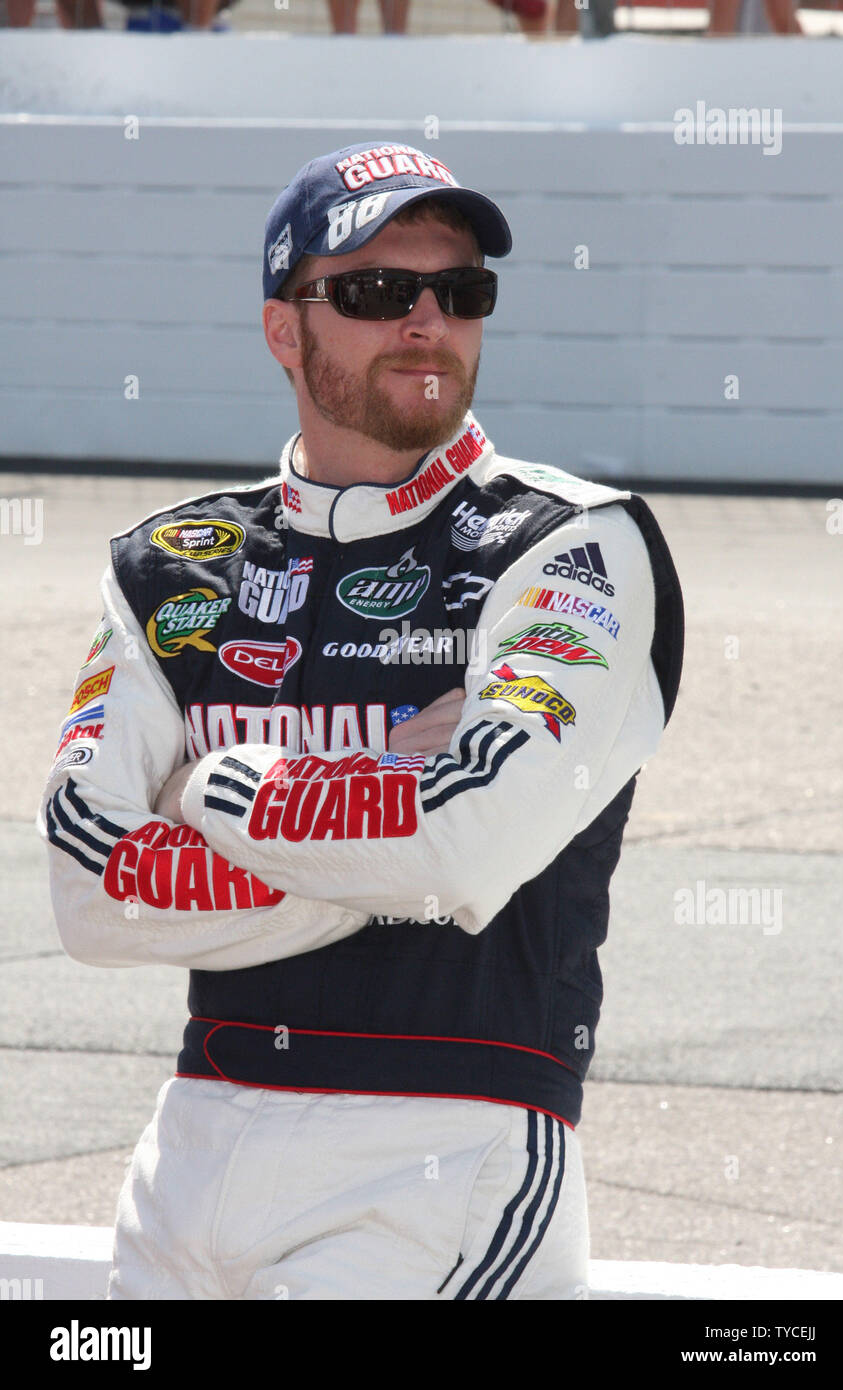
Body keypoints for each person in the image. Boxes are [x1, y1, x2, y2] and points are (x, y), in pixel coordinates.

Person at [38, 140, 684, 1300]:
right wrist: (386, 796)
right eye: (379, 292)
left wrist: (210, 786)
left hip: (449, 1152)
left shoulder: (568, 546)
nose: (427, 321)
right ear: (285, 328)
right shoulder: (170, 565)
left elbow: (468, 842)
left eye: (460, 291)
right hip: (189, 1152)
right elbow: (88, 889)